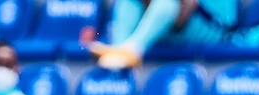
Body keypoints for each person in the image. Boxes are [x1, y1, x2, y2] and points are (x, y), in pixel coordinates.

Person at [81, 0, 238, 70]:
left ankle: (131, 50)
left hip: (213, 29)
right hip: (167, 26)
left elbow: (191, 7)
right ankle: (119, 49)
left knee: (167, 2)